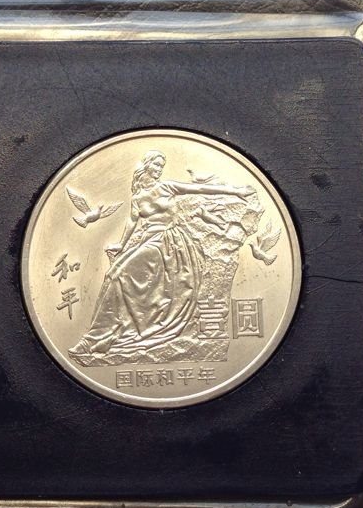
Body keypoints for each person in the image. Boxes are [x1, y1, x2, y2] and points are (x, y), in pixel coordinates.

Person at [69, 150, 253, 362]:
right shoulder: (138, 197)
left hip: (169, 243)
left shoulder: (167, 187)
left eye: (161, 166)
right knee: (113, 275)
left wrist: (235, 191)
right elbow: (132, 222)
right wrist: (122, 244)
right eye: (156, 165)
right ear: (146, 167)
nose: (158, 170)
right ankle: (102, 335)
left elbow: (200, 188)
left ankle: (95, 338)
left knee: (119, 275)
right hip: (149, 241)